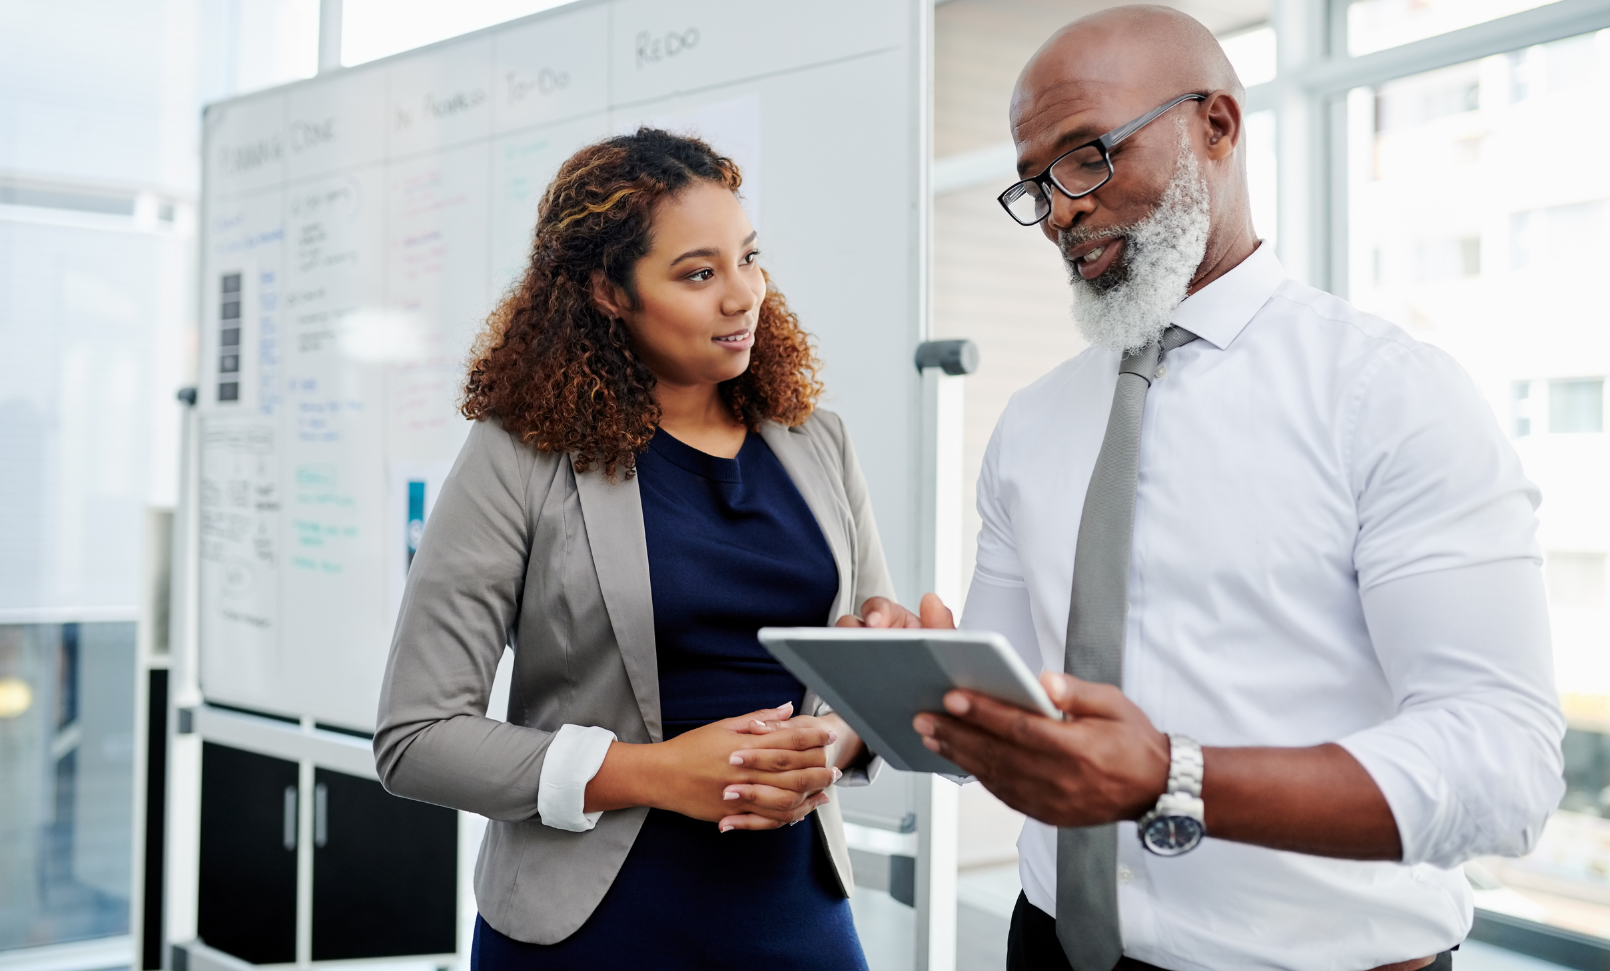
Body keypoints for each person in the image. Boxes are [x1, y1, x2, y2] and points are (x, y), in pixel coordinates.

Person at [852, 7, 1566, 971]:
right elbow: (1016, 712)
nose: (1059, 208)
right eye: (1034, 184)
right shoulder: (1033, 423)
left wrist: (1173, 777)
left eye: (1086, 157)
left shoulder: (1389, 395)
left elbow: (1504, 766)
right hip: (1052, 943)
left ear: (1215, 127)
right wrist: (925, 680)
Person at [373, 128, 891, 970]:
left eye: (749, 258)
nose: (744, 295)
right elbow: (417, 735)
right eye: (698, 273)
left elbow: (864, 687)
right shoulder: (521, 455)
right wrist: (652, 771)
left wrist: (831, 743)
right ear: (608, 291)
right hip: (592, 927)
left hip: (795, 915)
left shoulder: (816, 441)